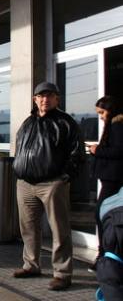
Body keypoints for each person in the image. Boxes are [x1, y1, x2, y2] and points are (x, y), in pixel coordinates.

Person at [12, 81, 84, 291]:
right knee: (28, 228)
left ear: (57, 99)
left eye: (49, 96)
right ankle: (31, 265)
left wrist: (65, 177)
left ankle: (62, 273)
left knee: (59, 230)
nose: (45, 99)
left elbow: (77, 154)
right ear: (35, 99)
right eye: (40, 96)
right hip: (25, 183)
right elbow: (20, 146)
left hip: (53, 183)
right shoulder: (28, 122)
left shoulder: (66, 122)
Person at [88, 96, 123, 271]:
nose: (101, 116)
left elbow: (119, 151)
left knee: (102, 214)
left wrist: (97, 150)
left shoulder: (117, 126)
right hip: (112, 178)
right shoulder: (116, 125)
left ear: (111, 109)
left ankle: (104, 254)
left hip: (113, 179)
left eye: (102, 112)